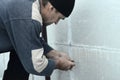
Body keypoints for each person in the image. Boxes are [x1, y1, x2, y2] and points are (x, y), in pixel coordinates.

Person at [0, 0, 75, 80]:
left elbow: (29, 39)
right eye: (59, 18)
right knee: (28, 55)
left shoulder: (27, 6)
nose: (56, 22)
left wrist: (54, 53)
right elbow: (36, 65)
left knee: (25, 52)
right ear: (51, 8)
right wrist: (59, 64)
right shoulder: (28, 16)